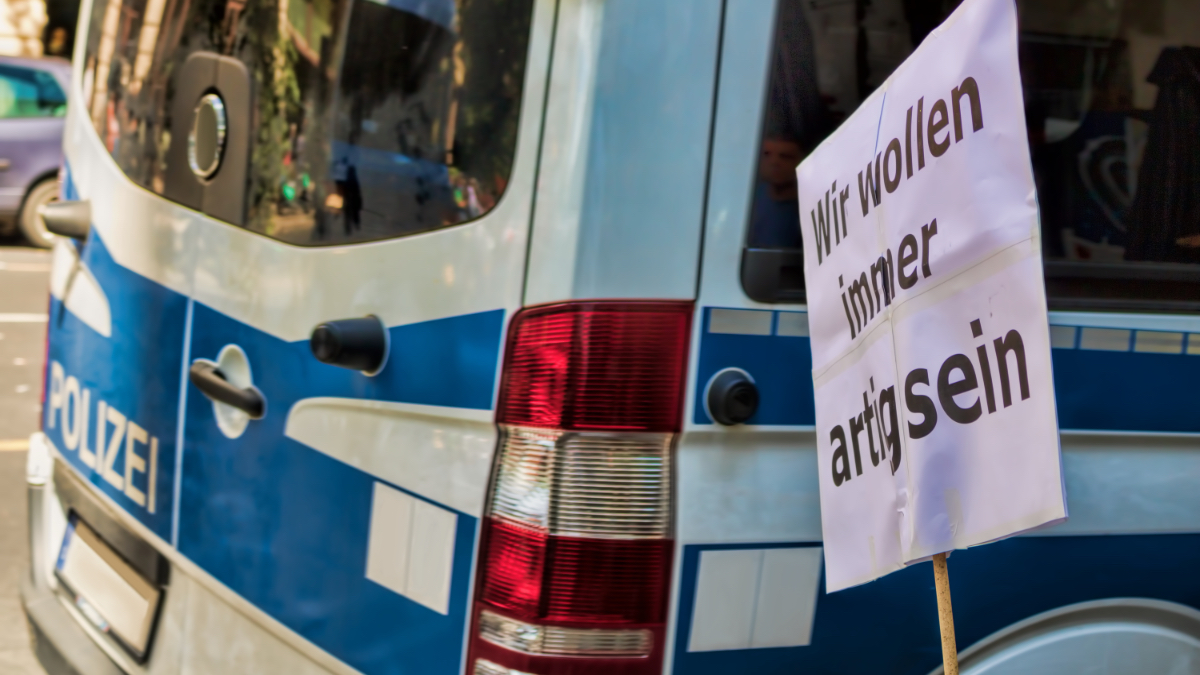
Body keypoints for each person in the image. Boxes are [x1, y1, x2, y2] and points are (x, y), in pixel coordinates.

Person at [747, 136, 805, 248]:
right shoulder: (748, 198)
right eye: (767, 154)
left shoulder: (809, 207)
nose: (774, 162)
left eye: (785, 157)